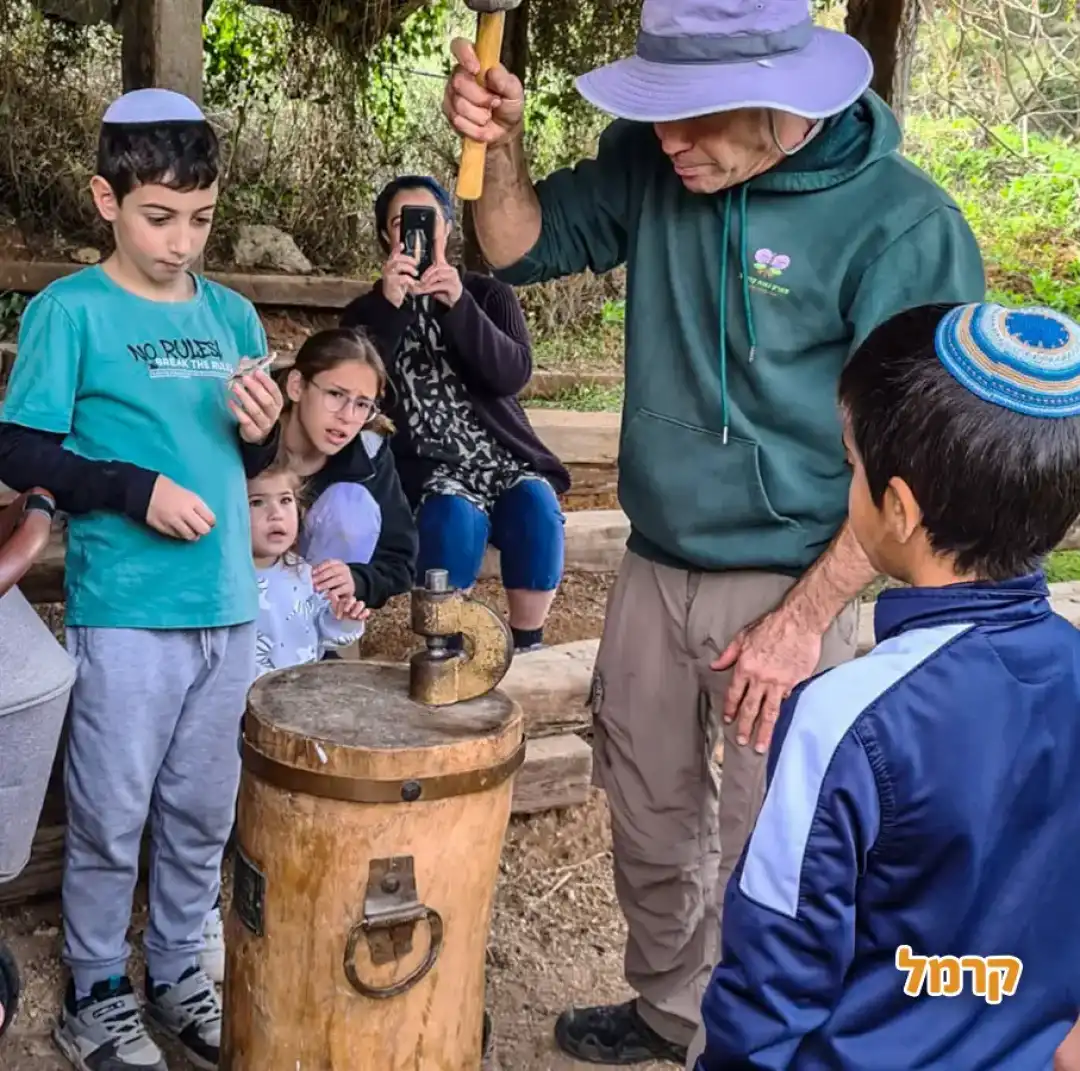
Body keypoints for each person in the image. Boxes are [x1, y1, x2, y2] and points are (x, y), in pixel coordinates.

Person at [442, 0, 986, 1061]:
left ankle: (762, 1043)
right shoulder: (662, 165)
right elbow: (514, 243)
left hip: (797, 579)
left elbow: (918, 463)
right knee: (645, 811)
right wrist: (500, 149)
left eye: (695, 117)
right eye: (659, 113)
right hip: (658, 561)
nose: (667, 141)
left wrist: (804, 621)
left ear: (790, 107)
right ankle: (672, 1012)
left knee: (772, 846)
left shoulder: (903, 227)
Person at [693, 300, 1080, 1070]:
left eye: (853, 464)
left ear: (898, 509)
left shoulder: (841, 720)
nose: (852, 481)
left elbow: (773, 971)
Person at [0, 88, 283, 1071]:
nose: (182, 242)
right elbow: (20, 446)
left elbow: (250, 460)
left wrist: (264, 432)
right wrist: (130, 488)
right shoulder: (69, 311)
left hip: (225, 604)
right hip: (127, 609)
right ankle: (94, 992)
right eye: (159, 217)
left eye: (200, 219)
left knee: (204, 808)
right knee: (113, 812)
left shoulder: (233, 313)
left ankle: (175, 973)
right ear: (104, 199)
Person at [340, 175, 570, 653]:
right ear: (388, 236)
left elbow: (511, 376)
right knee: (452, 516)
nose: (417, 233)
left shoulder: (488, 295)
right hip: (428, 467)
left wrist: (459, 306)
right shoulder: (367, 310)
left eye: (428, 220)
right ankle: (443, 649)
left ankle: (529, 644)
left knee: (538, 508)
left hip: (502, 456)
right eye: (402, 224)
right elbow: (357, 385)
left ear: (446, 227)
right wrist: (390, 307)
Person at [248, 463, 370, 677]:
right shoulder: (227, 580)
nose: (276, 514)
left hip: (303, 693)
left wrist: (343, 619)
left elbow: (326, 634)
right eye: (257, 502)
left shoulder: (304, 572)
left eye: (285, 500)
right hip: (249, 702)